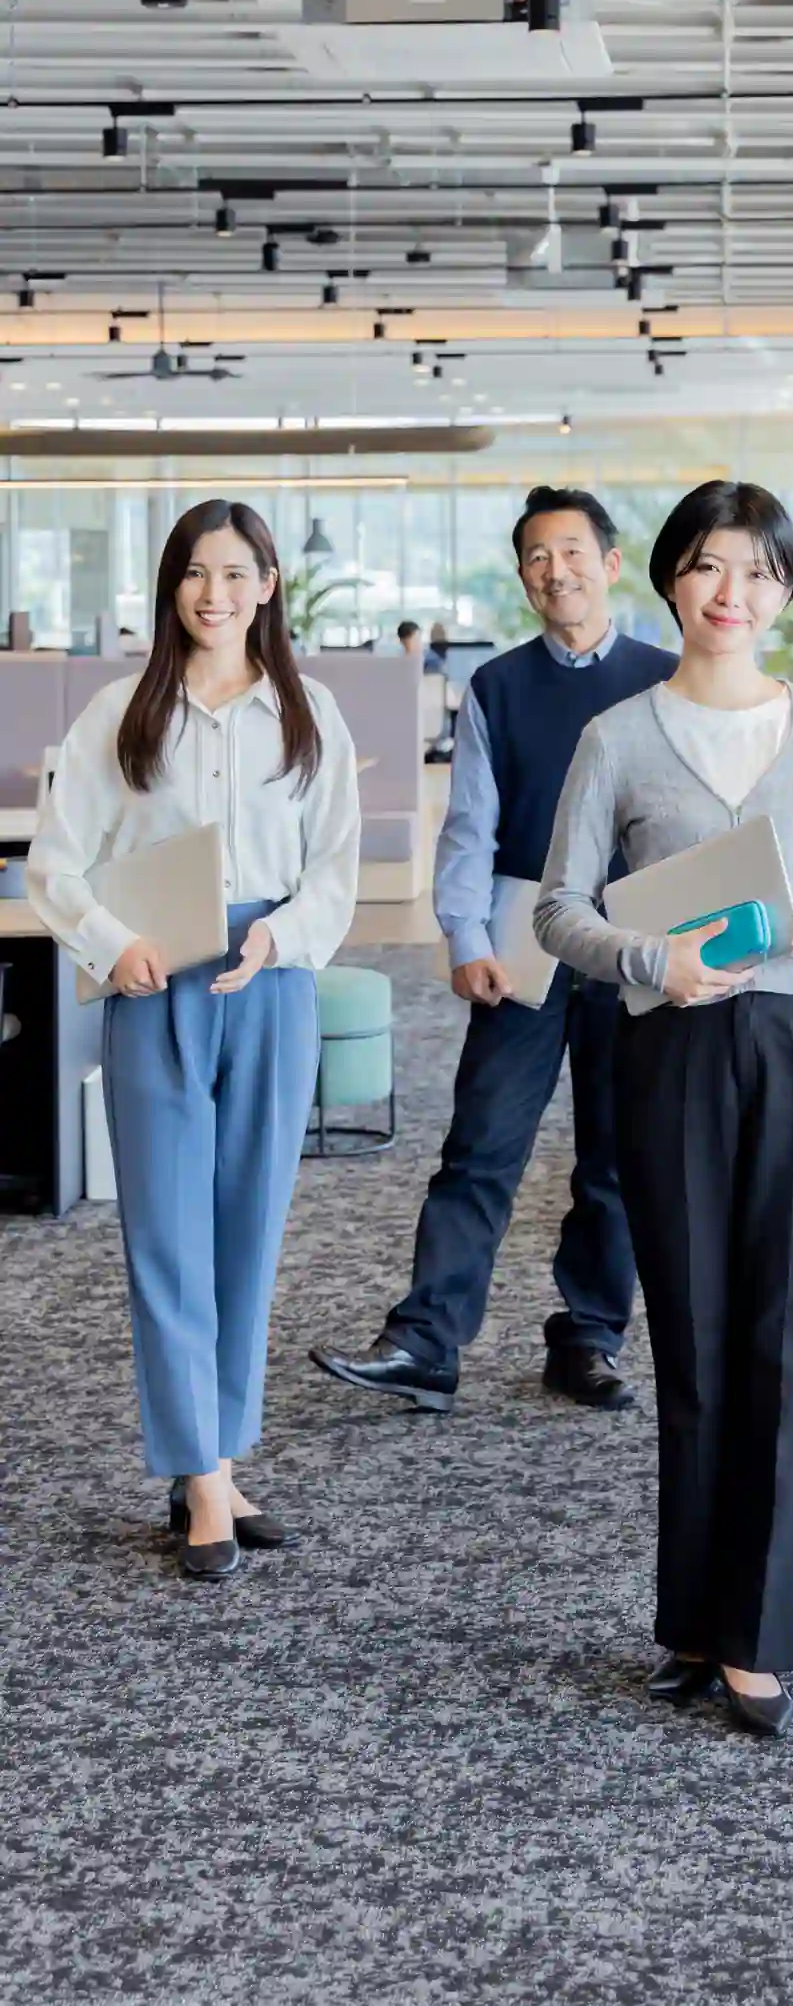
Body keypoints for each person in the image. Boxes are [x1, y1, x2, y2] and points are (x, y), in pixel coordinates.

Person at [535, 480, 793, 1735]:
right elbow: (559, 910)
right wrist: (650, 964)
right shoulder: (618, 738)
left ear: (784, 589)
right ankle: (692, 1618)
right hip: (670, 1046)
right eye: (706, 568)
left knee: (789, 1334)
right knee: (690, 1336)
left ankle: (761, 1636)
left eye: (755, 572)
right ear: (670, 581)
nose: (730, 594)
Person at [26, 500, 360, 1580]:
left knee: (245, 1232)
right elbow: (55, 862)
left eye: (235, 573)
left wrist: (285, 937)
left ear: (270, 585)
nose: (214, 593)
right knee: (166, 1234)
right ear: (171, 589)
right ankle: (203, 1478)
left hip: (269, 979)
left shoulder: (312, 720)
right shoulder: (122, 715)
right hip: (155, 976)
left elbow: (336, 872)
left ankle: (213, 1453)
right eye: (194, 574)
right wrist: (112, 942)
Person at [311, 488, 678, 1415]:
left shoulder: (666, 678)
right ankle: (425, 1340)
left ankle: (589, 1339)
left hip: (631, 937)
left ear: (611, 561)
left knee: (615, 1158)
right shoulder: (497, 686)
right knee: (479, 1147)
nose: (556, 570)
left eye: (571, 551)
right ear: (524, 578)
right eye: (536, 557)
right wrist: (464, 938)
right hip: (521, 940)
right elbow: (470, 826)